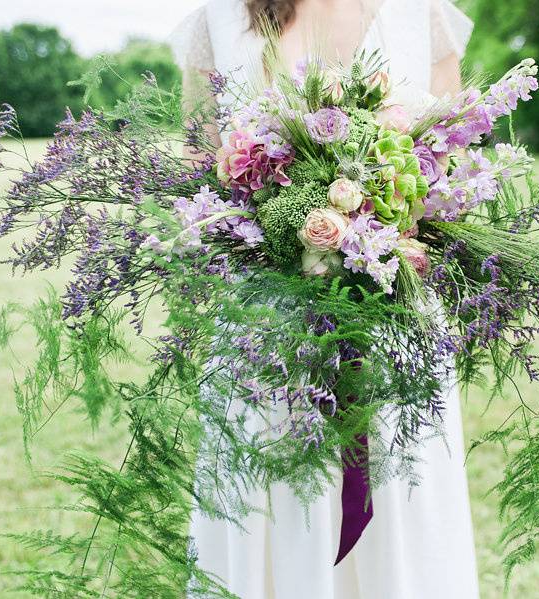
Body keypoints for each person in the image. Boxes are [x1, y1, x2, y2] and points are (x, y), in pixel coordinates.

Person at [170, 1, 479, 597]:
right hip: (264, 331)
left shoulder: (420, 13)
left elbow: (454, 163)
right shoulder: (222, 19)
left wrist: (391, 223)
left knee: (400, 509)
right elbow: (197, 165)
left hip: (395, 324)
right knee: (278, 505)